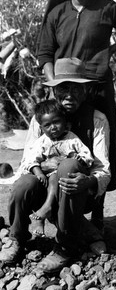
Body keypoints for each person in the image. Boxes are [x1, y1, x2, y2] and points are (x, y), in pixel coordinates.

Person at [0, 58, 111, 272]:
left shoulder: (97, 120)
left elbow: (103, 168)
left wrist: (87, 180)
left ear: (86, 89)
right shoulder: (40, 119)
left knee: (68, 166)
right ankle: (17, 237)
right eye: (63, 88)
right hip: (45, 185)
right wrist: (43, 167)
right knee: (23, 183)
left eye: (76, 88)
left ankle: (65, 247)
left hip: (78, 190)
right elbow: (26, 162)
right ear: (55, 90)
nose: (69, 95)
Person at [36, 0, 116, 229]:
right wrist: (55, 87)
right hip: (64, 94)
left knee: (100, 151)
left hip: (97, 89)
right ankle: (62, 216)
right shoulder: (57, 13)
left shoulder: (107, 8)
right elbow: (45, 53)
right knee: (61, 149)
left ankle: (97, 217)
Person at [21, 99, 94, 237]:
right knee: (43, 181)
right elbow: (30, 159)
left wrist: (80, 159)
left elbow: (86, 155)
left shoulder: (72, 139)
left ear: (65, 122)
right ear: (41, 128)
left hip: (67, 181)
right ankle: (41, 217)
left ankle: (48, 210)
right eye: (47, 125)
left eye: (56, 122)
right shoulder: (42, 142)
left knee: (56, 176)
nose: (53, 127)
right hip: (46, 181)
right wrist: (38, 172)